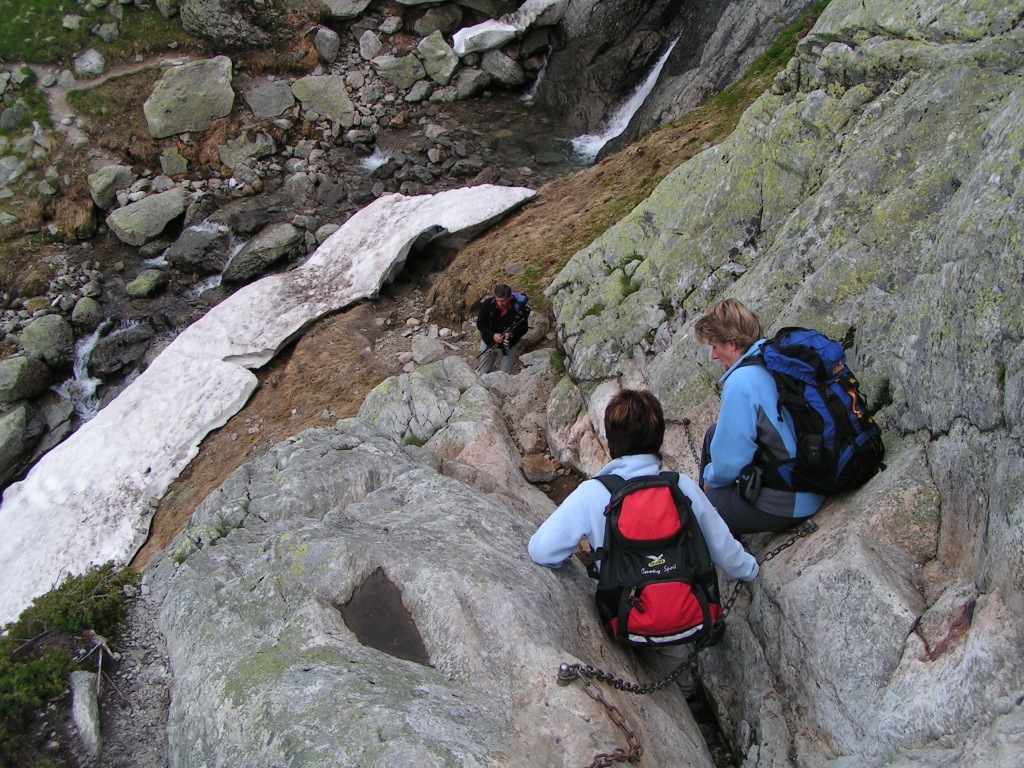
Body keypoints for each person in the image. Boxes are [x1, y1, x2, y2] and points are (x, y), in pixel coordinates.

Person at [528, 389, 757, 697]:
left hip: (623, 620)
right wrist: (750, 570)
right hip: (686, 617)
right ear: (659, 439)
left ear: (610, 443)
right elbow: (723, 548)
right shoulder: (682, 486)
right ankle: (686, 689)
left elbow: (541, 550)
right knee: (679, 655)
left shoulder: (593, 493)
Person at [693, 298, 825, 534]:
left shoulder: (741, 382)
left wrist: (710, 483)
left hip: (792, 500)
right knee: (714, 433)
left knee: (698, 511)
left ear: (732, 344)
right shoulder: (772, 357)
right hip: (814, 475)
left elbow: (730, 463)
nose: (713, 355)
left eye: (715, 347)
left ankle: (723, 541)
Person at [476, 284, 529, 374]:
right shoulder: (488, 304)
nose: (500, 304)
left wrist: (511, 334)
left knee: (505, 374)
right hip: (488, 342)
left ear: (509, 298)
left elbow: (524, 328)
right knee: (483, 371)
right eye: (498, 300)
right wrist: (493, 335)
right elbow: (480, 324)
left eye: (503, 301)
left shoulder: (519, 309)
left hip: (508, 346)